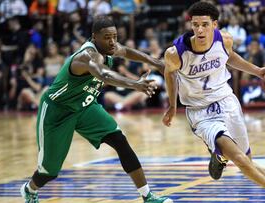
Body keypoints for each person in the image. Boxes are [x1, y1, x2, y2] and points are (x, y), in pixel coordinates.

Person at [20, 16, 172, 203]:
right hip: (57, 111)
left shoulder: (110, 47)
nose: (112, 42)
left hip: (85, 107)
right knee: (48, 172)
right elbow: (103, 74)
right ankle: (30, 189)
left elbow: (126, 51)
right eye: (107, 37)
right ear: (94, 37)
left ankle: (147, 196)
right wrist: (136, 84)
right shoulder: (86, 56)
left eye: (115, 36)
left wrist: (156, 62)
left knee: (120, 141)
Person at [162, 2, 265, 203]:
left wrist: (259, 71)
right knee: (240, 159)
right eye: (195, 25)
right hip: (201, 113)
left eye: (205, 24)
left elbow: (230, 57)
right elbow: (169, 73)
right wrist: (173, 106)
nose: (200, 29)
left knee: (248, 162)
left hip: (227, 102)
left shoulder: (224, 40)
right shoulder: (176, 53)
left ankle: (219, 157)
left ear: (214, 24)